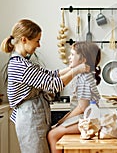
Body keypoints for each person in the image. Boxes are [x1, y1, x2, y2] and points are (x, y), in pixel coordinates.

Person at [0, 19, 89, 153]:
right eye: (37, 40)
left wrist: (71, 68)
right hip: (30, 117)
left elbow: (49, 75)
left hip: (34, 114)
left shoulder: (23, 62)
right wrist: (76, 70)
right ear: (24, 40)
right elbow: (53, 85)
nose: (39, 45)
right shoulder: (20, 66)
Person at [48, 41, 102, 153]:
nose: (69, 57)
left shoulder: (84, 78)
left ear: (83, 60)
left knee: (52, 135)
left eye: (72, 54)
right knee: (54, 131)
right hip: (85, 118)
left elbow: (82, 108)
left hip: (87, 120)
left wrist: (62, 121)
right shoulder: (83, 75)